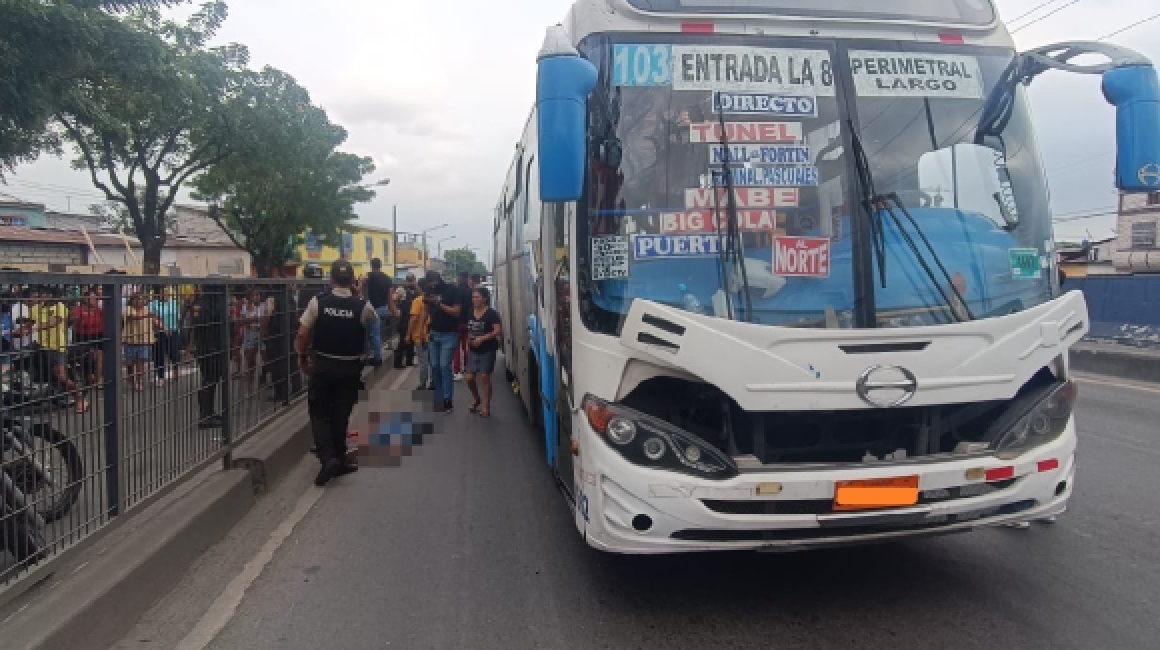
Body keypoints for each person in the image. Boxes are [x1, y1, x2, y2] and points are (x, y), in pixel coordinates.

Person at [296, 260, 378, 486]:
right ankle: (339, 459)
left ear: (331, 279)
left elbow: (303, 333)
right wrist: (359, 295)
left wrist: (302, 357)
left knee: (319, 413)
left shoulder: (318, 302)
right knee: (341, 414)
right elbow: (374, 321)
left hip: (322, 366)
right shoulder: (362, 306)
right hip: (349, 368)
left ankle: (328, 458)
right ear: (352, 281)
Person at [31, 288, 88, 413]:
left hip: (56, 347)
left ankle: (79, 399)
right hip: (39, 346)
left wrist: (34, 328)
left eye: (47, 293)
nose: (44, 295)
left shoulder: (60, 307)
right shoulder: (36, 309)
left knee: (61, 376)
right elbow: (29, 323)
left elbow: (53, 322)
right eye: (43, 293)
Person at [423, 270, 462, 412]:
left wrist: (439, 303)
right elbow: (426, 310)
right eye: (430, 284)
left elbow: (456, 311)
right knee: (435, 366)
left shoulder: (452, 290)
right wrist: (422, 329)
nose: (432, 286)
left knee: (445, 366)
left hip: (449, 334)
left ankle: (447, 399)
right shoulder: (428, 290)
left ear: (438, 280)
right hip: (434, 332)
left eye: (433, 283)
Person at [188, 285, 226, 430]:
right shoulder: (211, 305)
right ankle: (205, 416)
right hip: (211, 348)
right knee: (209, 381)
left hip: (205, 347)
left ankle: (209, 412)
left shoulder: (201, 303)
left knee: (210, 380)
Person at [465, 286, 502, 418]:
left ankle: (486, 406)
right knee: (469, 377)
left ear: (484, 299)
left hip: (488, 349)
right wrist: (467, 343)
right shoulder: (470, 311)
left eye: (477, 297)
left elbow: (498, 331)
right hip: (473, 349)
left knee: (485, 376)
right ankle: (476, 398)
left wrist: (482, 338)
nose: (474, 299)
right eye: (473, 297)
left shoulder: (491, 313)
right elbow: (469, 329)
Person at [123, 292, 162, 392]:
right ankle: (131, 379)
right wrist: (147, 315)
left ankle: (139, 381)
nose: (139, 301)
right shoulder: (128, 309)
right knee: (130, 363)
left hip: (144, 339)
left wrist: (163, 327)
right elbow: (132, 317)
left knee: (140, 361)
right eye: (137, 299)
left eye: (141, 299)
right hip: (130, 340)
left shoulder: (146, 309)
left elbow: (155, 319)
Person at [363, 258, 397, 365]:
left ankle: (377, 358)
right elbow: (390, 296)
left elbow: (361, 280)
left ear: (371, 265)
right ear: (380, 265)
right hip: (384, 309)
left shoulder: (370, 276)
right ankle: (376, 353)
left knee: (374, 335)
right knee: (379, 333)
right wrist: (392, 309)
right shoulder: (387, 278)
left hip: (374, 310)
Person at [150, 287, 183, 384]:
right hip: (159, 332)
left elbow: (178, 317)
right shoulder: (154, 304)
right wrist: (164, 327)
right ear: (159, 293)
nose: (166, 293)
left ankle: (176, 370)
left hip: (174, 330)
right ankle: (160, 377)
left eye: (167, 292)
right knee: (159, 354)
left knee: (174, 352)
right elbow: (153, 317)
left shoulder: (174, 303)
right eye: (163, 292)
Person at [240, 288, 269, 394]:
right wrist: (256, 319)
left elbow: (265, 320)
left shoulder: (263, 306)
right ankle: (249, 387)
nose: (256, 297)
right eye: (254, 295)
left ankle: (264, 378)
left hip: (260, 333)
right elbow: (242, 321)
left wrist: (253, 320)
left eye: (258, 295)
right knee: (250, 362)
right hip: (250, 334)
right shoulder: (246, 307)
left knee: (266, 358)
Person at [406, 278, 433, 391]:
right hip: (432, 335)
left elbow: (414, 319)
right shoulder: (433, 299)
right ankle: (433, 383)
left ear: (420, 287)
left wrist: (408, 334)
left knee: (423, 363)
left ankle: (422, 384)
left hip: (420, 336)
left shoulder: (417, 301)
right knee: (433, 362)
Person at [392, 274, 420, 369]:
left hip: (412, 318)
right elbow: (394, 299)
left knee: (411, 341)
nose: (410, 282)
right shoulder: (402, 290)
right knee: (403, 342)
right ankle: (398, 362)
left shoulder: (416, 291)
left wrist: (416, 286)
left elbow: (422, 295)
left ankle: (409, 361)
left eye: (412, 280)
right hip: (404, 319)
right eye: (409, 280)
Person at [451, 271, 472, 381]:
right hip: (469, 322)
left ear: (459, 278)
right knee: (467, 347)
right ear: (467, 278)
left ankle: (457, 371)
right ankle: (468, 368)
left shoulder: (455, 291)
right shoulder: (471, 291)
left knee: (456, 348)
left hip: (456, 323)